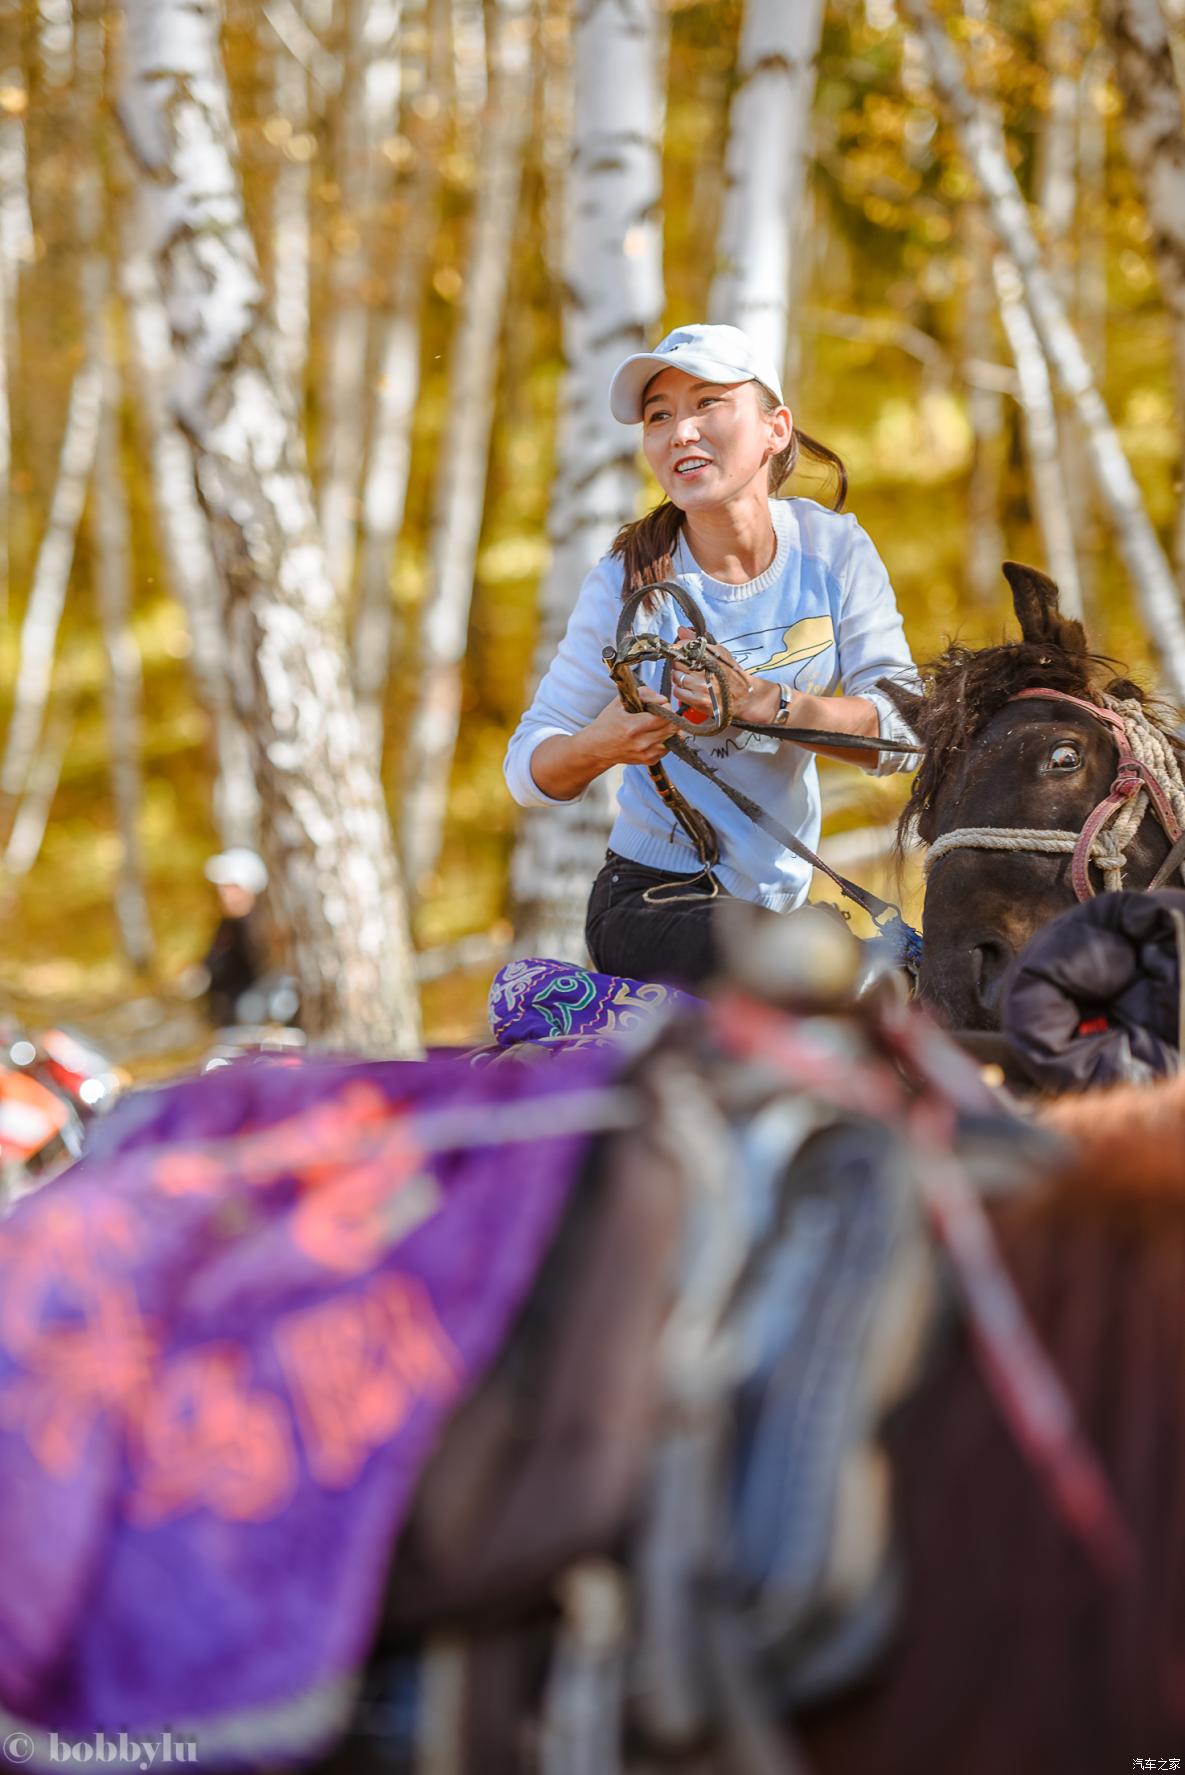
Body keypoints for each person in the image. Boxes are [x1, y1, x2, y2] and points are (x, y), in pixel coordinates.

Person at [504, 322, 920, 988]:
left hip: (782, 906)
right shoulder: (624, 580)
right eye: (658, 415)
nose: (680, 432)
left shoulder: (832, 550)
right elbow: (526, 770)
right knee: (832, 974)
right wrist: (602, 743)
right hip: (651, 901)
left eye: (706, 404)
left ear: (774, 428)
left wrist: (765, 705)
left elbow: (904, 732)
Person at [201, 848, 270, 1026]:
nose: (223, 893)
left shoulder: (259, 928)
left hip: (251, 1026)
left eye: (230, 887)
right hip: (228, 1022)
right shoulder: (228, 925)